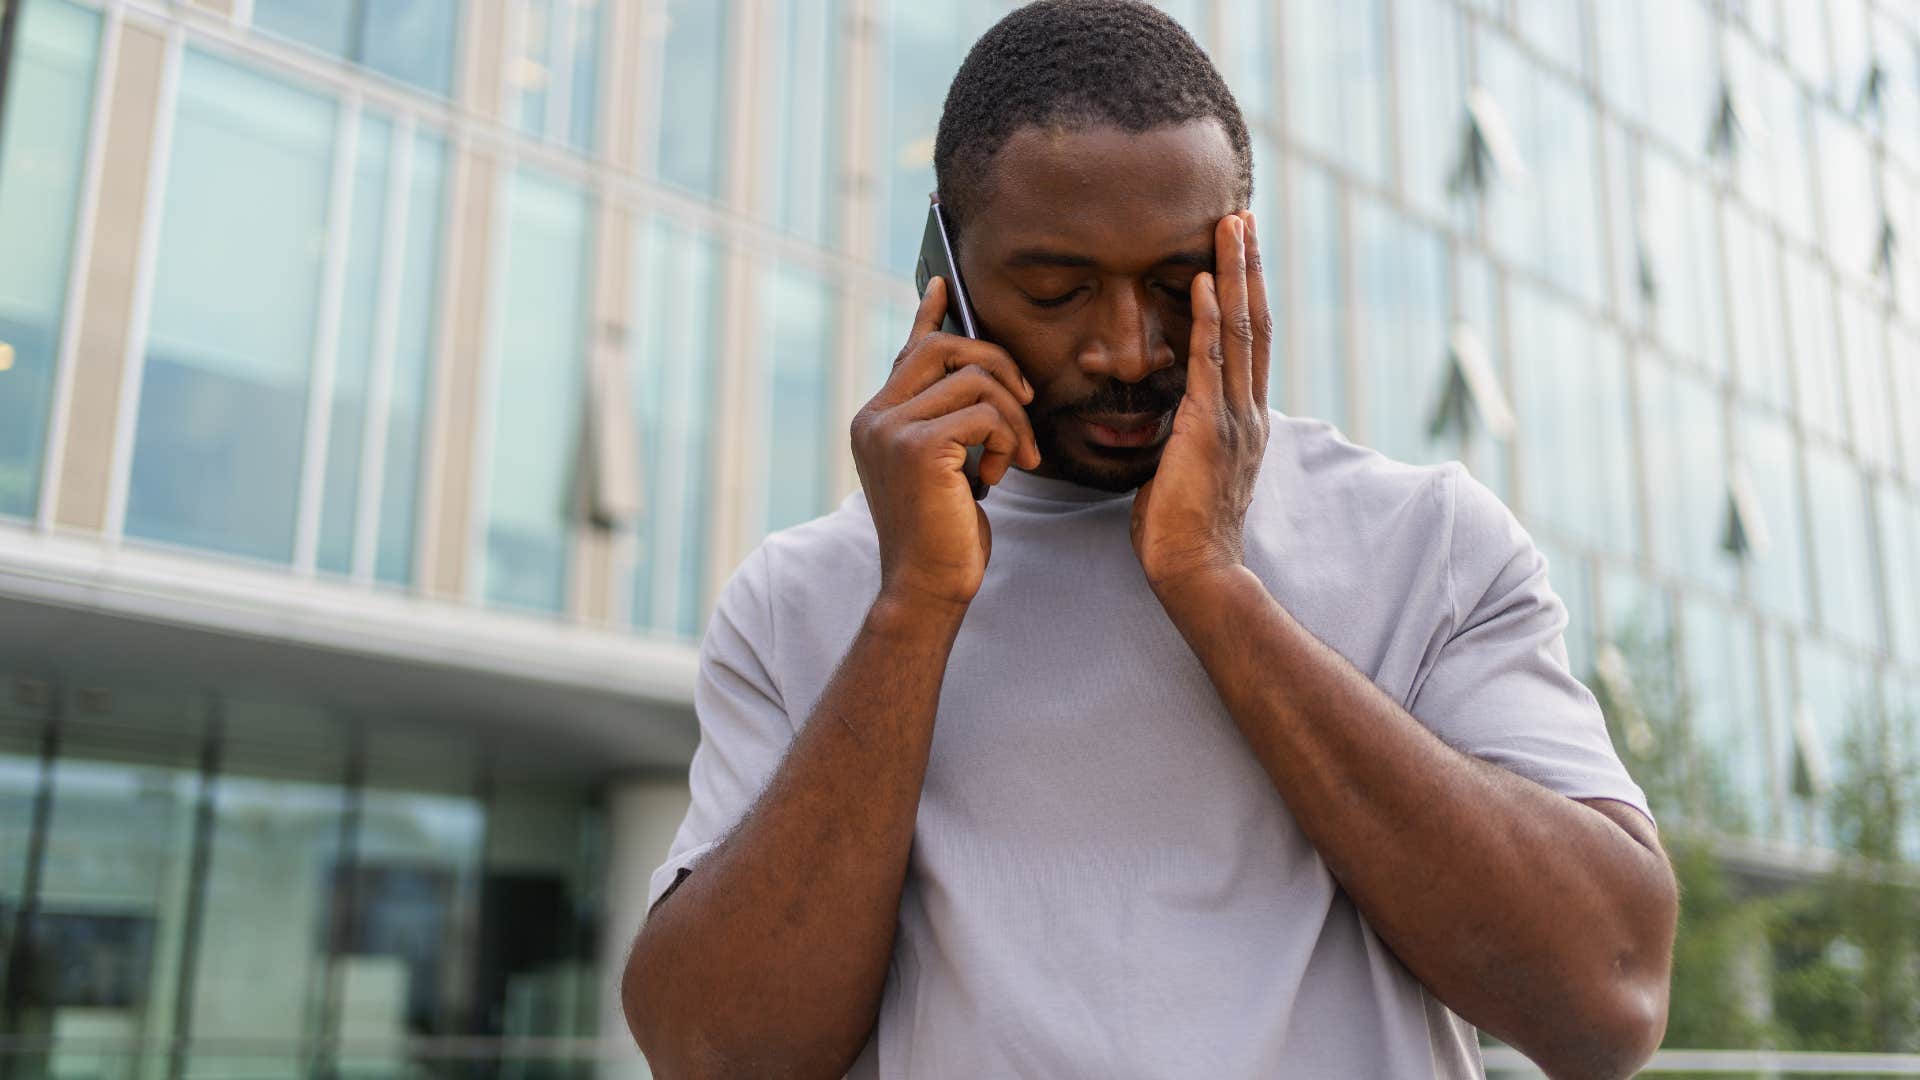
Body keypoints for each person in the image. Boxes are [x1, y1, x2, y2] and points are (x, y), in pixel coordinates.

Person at [621, 2, 1677, 1076]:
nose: (1127, 349)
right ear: (945, 264)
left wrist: (1211, 581)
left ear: (1243, 253)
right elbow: (712, 1054)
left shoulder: (1424, 543)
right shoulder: (805, 595)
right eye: (1055, 290)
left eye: (1179, 285)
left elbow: (1610, 998)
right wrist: (913, 608)